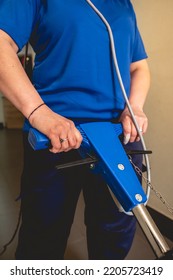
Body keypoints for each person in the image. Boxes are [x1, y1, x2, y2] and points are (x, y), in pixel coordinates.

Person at [0, 0, 150, 260]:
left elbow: (138, 67)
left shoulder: (123, 4)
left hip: (119, 135)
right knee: (43, 232)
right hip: (56, 134)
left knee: (115, 230)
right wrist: (39, 113)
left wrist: (134, 107)